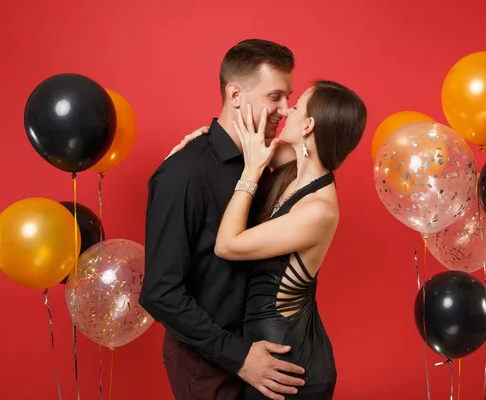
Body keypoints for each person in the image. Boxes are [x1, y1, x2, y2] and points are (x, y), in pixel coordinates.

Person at [172, 81, 367, 399]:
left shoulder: (318, 209)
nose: (285, 109)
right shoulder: (294, 166)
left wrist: (250, 173)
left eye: (296, 105)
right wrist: (198, 141)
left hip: (290, 365)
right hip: (269, 352)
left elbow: (227, 245)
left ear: (307, 125)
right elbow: (238, 144)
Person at [139, 39, 306, 400]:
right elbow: (160, 292)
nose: (286, 109)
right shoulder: (184, 172)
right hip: (210, 362)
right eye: (275, 97)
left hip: (263, 349)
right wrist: (239, 356)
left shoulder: (265, 161)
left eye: (288, 97)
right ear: (235, 95)